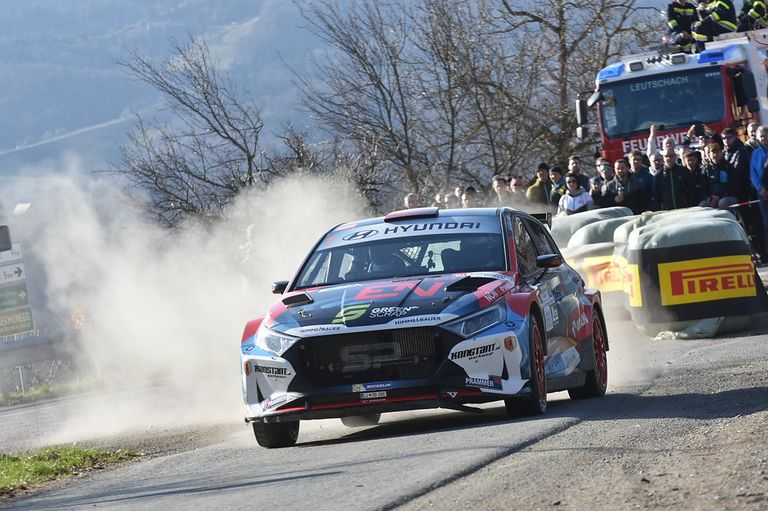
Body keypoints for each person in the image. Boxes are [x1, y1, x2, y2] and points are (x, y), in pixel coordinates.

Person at [701, 135, 739, 209]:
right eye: (713, 153)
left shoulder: (728, 167)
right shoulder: (706, 169)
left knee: (722, 203)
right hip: (712, 197)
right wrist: (709, 198)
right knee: (702, 205)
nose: (715, 155)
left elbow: (734, 186)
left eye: (717, 152)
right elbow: (703, 187)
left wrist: (719, 197)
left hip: (728, 196)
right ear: (709, 155)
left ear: (721, 153)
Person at [749, 125, 768, 257]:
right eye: (761, 137)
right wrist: (761, 189)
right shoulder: (755, 154)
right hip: (762, 194)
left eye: (765, 136)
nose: (764, 139)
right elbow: (753, 174)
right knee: (766, 224)